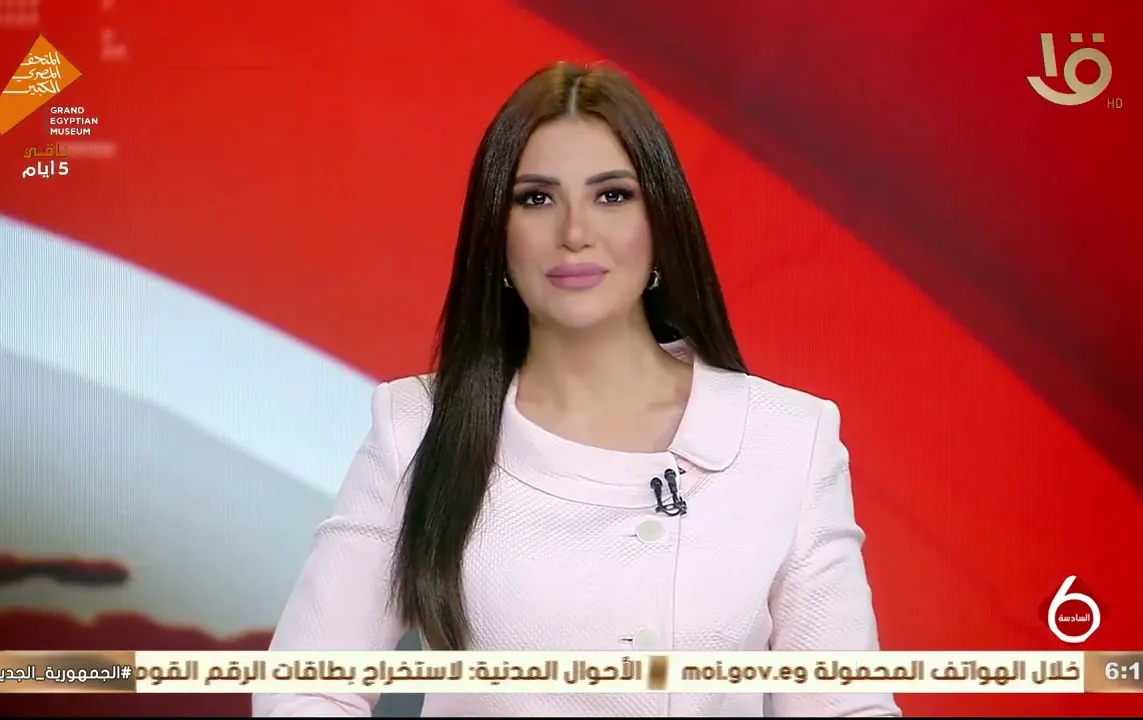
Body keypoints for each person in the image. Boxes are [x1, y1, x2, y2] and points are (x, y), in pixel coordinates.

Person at [254, 61, 899, 718]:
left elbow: (845, 705)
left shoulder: (787, 439)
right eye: (536, 199)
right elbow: (307, 684)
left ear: (661, 223)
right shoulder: (418, 426)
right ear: (496, 234)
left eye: (611, 196)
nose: (574, 234)